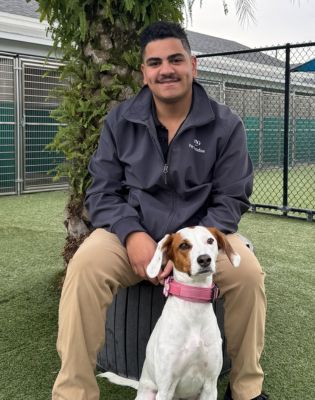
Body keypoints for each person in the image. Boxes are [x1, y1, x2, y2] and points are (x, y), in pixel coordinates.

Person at [52, 21, 268, 400]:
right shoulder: (120, 121)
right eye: (154, 62)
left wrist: (189, 248)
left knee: (248, 274)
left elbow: (232, 197)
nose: (165, 69)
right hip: (131, 233)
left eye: (175, 59)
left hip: (199, 236)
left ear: (193, 65)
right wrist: (133, 235)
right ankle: (75, 392)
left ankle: (246, 389)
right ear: (144, 72)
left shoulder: (226, 125)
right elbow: (102, 190)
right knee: (84, 267)